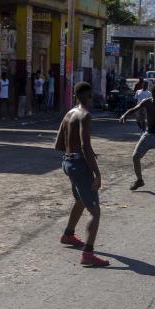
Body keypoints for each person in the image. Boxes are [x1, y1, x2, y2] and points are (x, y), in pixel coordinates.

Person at [56, 81, 108, 267]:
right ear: (88, 96)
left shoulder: (69, 114)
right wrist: (97, 173)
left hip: (67, 162)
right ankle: (88, 253)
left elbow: (58, 144)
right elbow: (86, 146)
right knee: (95, 211)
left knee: (80, 199)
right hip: (79, 164)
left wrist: (72, 154)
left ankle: (68, 235)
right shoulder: (85, 115)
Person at [119, 83, 155, 191]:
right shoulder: (147, 102)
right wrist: (124, 115)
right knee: (135, 156)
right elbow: (134, 109)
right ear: (151, 95)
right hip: (148, 135)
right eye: (154, 96)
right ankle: (139, 180)